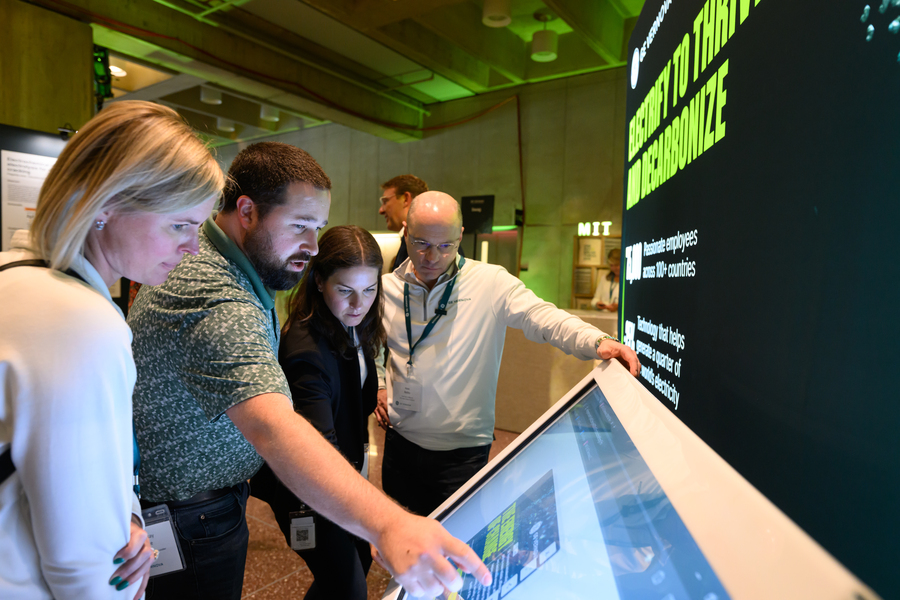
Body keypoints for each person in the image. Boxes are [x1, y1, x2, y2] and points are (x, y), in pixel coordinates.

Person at [128, 143, 491, 600]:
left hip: (200, 500)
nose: (312, 247)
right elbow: (274, 427)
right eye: (299, 226)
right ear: (247, 211)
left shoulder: (223, 258)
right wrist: (389, 524)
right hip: (191, 516)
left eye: (317, 228)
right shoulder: (218, 297)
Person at [0, 100, 224, 599]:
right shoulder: (77, 321)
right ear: (106, 205)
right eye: (179, 225)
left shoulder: (17, 276)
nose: (193, 247)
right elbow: (84, 561)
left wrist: (120, 512)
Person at [375, 192, 642, 517]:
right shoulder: (386, 287)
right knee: (402, 531)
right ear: (406, 233)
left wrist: (596, 340)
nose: (432, 257)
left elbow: (543, 317)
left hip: (461, 450)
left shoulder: (489, 282)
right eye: (421, 244)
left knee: (455, 539)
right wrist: (379, 383)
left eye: (445, 246)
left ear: (460, 236)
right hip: (400, 440)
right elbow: (373, 345)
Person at [251, 225, 384, 599]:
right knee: (348, 587)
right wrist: (379, 515)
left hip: (343, 472)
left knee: (348, 574)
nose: (359, 304)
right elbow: (318, 445)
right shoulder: (306, 348)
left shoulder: (353, 325)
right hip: (310, 486)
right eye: (346, 291)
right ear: (320, 280)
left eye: (369, 290)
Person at [378, 174, 428, 271]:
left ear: (405, 198)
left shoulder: (418, 242)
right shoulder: (414, 239)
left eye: (385, 201)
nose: (381, 210)